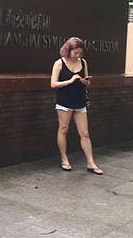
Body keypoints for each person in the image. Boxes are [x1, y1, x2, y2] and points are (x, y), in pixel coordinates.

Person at [50, 37, 103, 175]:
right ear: (68, 50)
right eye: (75, 53)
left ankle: (91, 162)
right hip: (64, 101)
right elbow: (53, 84)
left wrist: (85, 82)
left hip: (80, 101)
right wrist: (70, 80)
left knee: (85, 133)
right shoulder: (59, 63)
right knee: (63, 129)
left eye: (80, 53)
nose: (77, 56)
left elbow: (87, 82)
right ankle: (64, 159)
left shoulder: (83, 62)